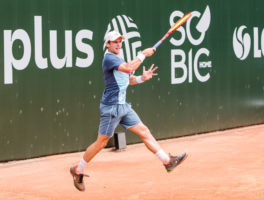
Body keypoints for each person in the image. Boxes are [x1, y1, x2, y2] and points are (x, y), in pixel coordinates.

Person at [70, 30, 188, 191]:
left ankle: (167, 161)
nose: (118, 44)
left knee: (144, 131)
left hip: (123, 107)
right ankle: (78, 170)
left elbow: (126, 79)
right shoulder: (109, 58)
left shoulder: (119, 56)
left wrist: (141, 78)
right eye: (115, 42)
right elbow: (127, 68)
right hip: (111, 108)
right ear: (108, 44)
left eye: (120, 41)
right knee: (101, 143)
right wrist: (143, 54)